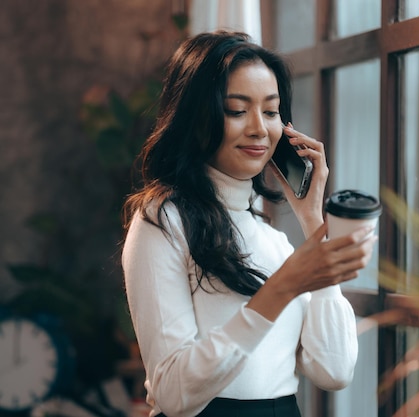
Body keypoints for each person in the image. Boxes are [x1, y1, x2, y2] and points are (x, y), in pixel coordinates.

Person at [121, 30, 378, 417]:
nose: (259, 128)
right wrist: (283, 287)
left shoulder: (274, 241)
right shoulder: (162, 222)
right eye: (237, 110)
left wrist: (313, 223)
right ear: (197, 117)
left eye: (271, 111)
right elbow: (174, 393)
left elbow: (334, 370)